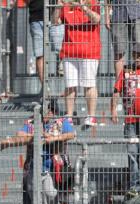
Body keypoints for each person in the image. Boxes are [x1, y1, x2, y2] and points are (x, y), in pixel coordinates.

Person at [15, 99, 76, 204]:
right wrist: (36, 136)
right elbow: (19, 135)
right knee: (36, 200)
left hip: (55, 168)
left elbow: (72, 134)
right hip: (34, 167)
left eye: (48, 111)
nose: (47, 114)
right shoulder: (32, 122)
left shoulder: (60, 121)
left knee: (50, 194)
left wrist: (54, 138)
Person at [55, 0, 101, 128]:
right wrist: (58, 7)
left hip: (89, 51)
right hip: (69, 51)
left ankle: (91, 116)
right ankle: (69, 116)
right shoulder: (66, 3)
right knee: (70, 85)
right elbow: (55, 21)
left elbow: (97, 19)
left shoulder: (93, 1)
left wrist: (83, 7)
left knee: (89, 84)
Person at [110, 48, 140, 199]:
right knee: (133, 153)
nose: (138, 58)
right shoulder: (127, 70)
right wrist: (113, 109)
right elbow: (117, 90)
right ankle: (135, 186)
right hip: (130, 120)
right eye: (136, 55)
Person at [107, 0, 140, 88]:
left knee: (139, 50)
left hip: (137, 10)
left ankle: (138, 88)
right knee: (119, 52)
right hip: (118, 13)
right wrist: (107, 14)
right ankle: (119, 88)